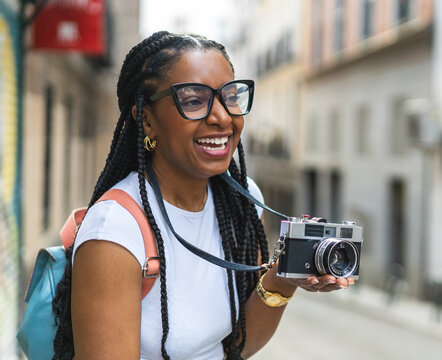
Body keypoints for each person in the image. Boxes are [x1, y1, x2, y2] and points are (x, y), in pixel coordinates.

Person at [52, 31, 354, 360]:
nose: (222, 117)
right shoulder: (114, 232)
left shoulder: (243, 203)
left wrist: (283, 278)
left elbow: (233, 348)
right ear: (147, 118)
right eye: (194, 100)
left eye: (230, 96)